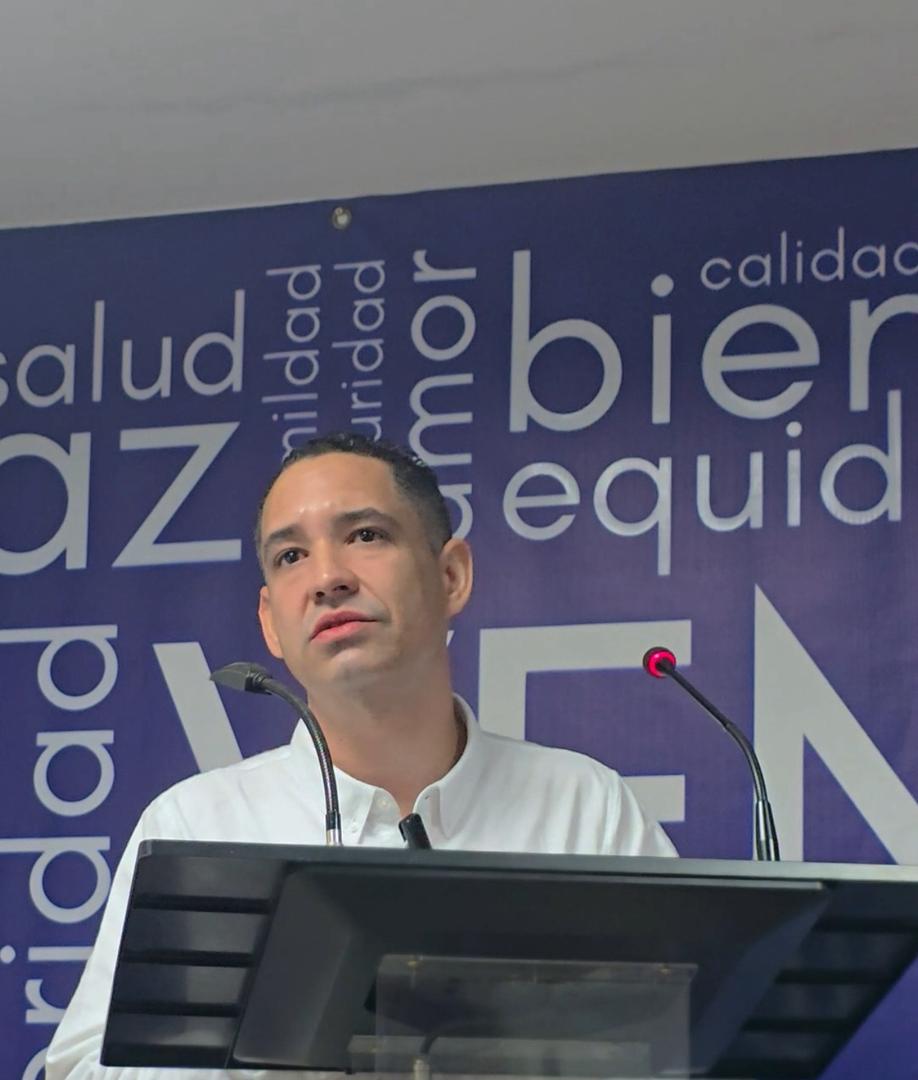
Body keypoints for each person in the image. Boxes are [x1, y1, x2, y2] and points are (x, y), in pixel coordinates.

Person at [46, 433, 676, 1079]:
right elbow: (81, 1070)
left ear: (451, 576)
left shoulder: (583, 807)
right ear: (270, 622)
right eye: (291, 555)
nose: (327, 579)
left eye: (366, 536)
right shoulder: (197, 827)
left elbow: (682, 1042)